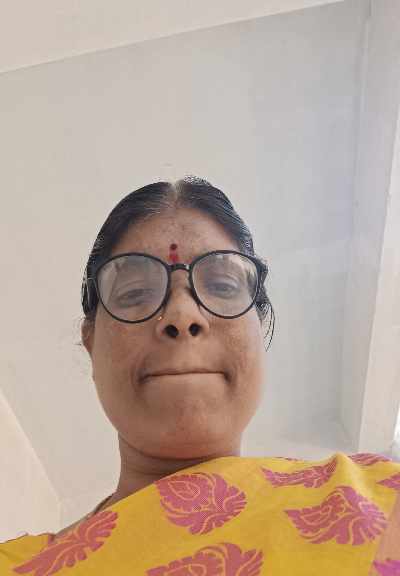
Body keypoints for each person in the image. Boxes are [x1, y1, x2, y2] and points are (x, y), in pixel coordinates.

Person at [1, 176, 399, 575]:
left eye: (223, 286)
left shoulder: (382, 500)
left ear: (259, 328)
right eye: (135, 293)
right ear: (91, 344)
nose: (181, 314)